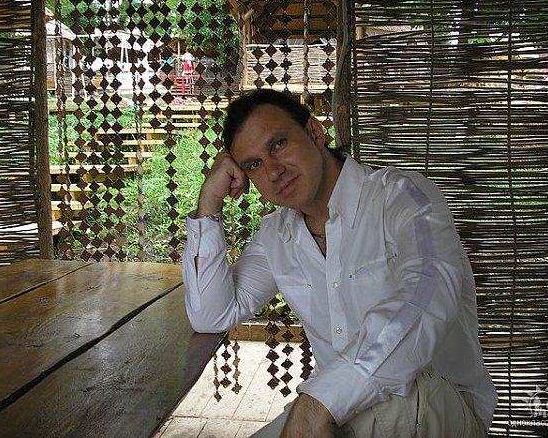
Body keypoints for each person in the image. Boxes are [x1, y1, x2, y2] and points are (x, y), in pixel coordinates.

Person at [182, 89, 497, 437]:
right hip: (345, 411)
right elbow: (211, 315)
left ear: (315, 132)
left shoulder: (403, 199)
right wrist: (209, 202)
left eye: (278, 144)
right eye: (253, 165)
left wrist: (321, 401)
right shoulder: (277, 236)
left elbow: (428, 297)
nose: (272, 171)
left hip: (435, 404)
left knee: (402, 395)